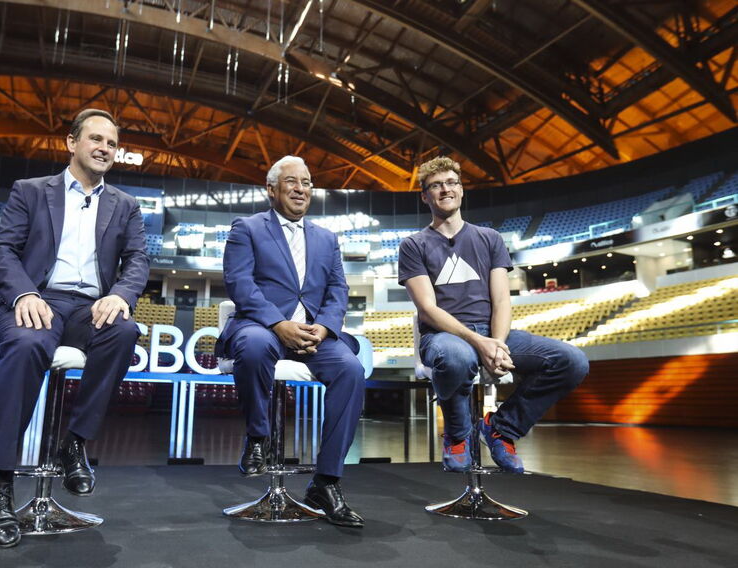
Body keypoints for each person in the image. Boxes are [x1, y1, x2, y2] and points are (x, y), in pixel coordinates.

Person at [0, 109, 149, 547]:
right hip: (35, 300)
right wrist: (24, 295)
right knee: (26, 342)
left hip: (89, 308)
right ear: (71, 143)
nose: (104, 149)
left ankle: (74, 444)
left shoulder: (126, 206)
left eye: (111, 143)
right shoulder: (31, 191)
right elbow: (3, 252)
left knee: (125, 332)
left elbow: (138, 261)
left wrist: (120, 296)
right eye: (95, 139)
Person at [398, 156, 589, 474]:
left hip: (492, 331)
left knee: (571, 362)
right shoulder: (413, 245)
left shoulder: (489, 238)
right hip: (445, 336)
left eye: (451, 182)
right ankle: (458, 435)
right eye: (436, 185)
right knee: (455, 356)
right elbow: (428, 310)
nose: (445, 189)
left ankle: (503, 428)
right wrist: (480, 343)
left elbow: (501, 300)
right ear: (425, 195)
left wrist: (497, 343)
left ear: (461, 189)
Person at [216, 155, 366, 528]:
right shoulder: (247, 228)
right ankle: (258, 436)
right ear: (271, 189)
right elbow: (240, 284)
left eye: (307, 182)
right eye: (291, 182)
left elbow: (337, 289)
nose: (301, 189)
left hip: (314, 335)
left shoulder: (327, 238)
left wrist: (327, 327)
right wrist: (278, 323)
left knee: (351, 369)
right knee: (252, 347)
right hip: (262, 327)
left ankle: (326, 482)